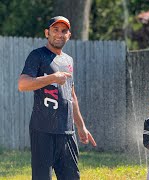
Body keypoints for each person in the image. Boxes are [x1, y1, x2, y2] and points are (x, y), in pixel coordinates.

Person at [18, 16, 97, 180]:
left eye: (64, 31)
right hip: (42, 130)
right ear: (47, 33)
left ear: (69, 35)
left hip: (67, 131)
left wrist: (81, 126)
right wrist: (52, 78)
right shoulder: (37, 55)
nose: (59, 34)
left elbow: (71, 95)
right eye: (55, 30)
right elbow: (23, 84)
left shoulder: (69, 60)